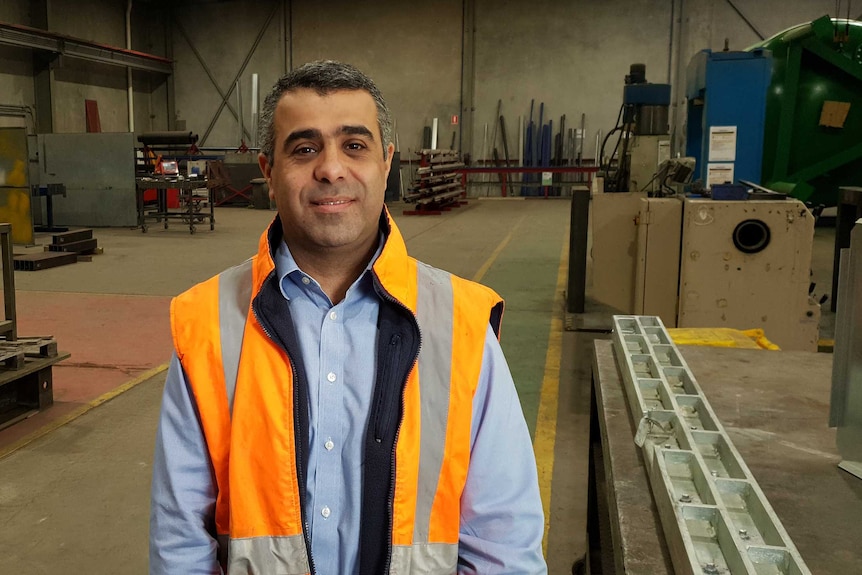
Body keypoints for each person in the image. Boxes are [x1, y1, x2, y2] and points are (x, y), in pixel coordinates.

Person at [149, 60, 547, 575]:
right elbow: (180, 538)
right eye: (304, 148)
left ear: (386, 163)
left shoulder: (461, 323)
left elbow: (504, 543)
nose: (331, 169)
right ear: (269, 172)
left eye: (354, 146)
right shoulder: (206, 321)